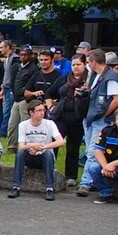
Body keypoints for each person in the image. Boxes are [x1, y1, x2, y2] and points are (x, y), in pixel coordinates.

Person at [77, 49, 118, 195]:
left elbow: (117, 100)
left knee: (93, 151)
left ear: (93, 62)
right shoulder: (95, 75)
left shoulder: (111, 77)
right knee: (88, 150)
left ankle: (85, 183)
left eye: (88, 62)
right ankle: (92, 180)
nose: (87, 65)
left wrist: (104, 115)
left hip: (101, 120)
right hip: (91, 117)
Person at [45, 54, 90, 186]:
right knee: (54, 143)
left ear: (84, 65)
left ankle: (71, 176)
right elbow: (49, 93)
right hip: (61, 116)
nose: (75, 67)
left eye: (78, 64)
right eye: (73, 64)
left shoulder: (89, 79)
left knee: (73, 148)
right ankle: (50, 170)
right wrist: (50, 108)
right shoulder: (65, 77)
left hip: (78, 118)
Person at [8, 100, 64, 200]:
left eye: (43, 110)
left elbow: (60, 142)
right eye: (39, 110)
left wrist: (43, 147)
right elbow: (21, 146)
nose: (42, 113)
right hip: (30, 157)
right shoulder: (23, 125)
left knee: (47, 154)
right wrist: (31, 146)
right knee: (20, 153)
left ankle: (49, 189)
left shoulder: (50, 124)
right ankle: (16, 187)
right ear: (31, 112)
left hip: (44, 157)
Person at [0, 40, 19, 132]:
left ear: (7, 47)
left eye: (1, 47)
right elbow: (6, 75)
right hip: (6, 88)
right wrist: (2, 88)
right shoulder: (7, 59)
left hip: (11, 88)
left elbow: (13, 76)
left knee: (8, 110)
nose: (0, 50)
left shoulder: (14, 59)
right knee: (6, 110)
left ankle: (4, 131)